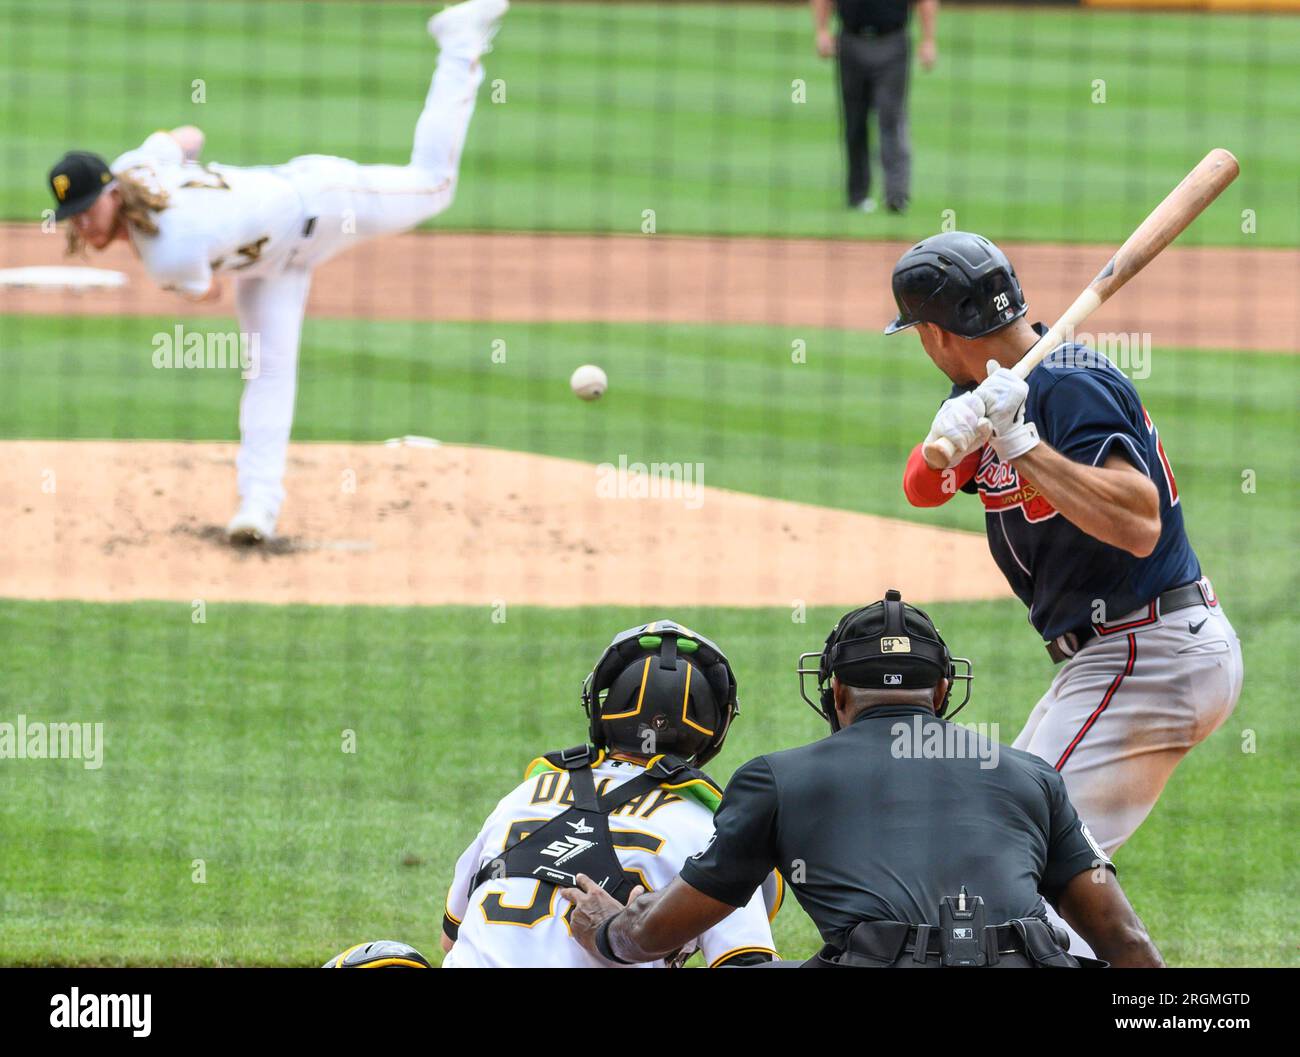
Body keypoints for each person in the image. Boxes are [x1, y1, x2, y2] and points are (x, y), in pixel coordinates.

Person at [889, 230, 1243, 956]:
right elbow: (922, 489)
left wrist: (1024, 446)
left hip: (1150, 653)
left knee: (1007, 850)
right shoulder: (991, 387)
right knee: (1020, 847)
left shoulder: (1068, 382)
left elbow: (1140, 521)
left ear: (931, 332)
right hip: (1115, 659)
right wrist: (953, 436)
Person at [45, 0, 510, 544]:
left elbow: (210, 292)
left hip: (323, 203)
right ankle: (257, 509)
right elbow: (190, 135)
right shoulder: (136, 165)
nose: (83, 227)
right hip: (273, 263)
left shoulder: (167, 257)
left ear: (110, 193)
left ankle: (458, 43)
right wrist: (188, 186)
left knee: (434, 185)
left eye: (87, 211)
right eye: (73, 219)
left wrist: (191, 221)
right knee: (268, 372)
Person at [562, 592, 1164, 968]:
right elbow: (1128, 944)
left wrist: (609, 929)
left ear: (836, 692)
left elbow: (657, 934)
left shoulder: (778, 779)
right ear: (944, 691)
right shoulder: (1033, 776)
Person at [439, 620, 779, 968]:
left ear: (600, 708)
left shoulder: (521, 797)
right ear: (714, 728)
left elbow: (451, 941)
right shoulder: (713, 831)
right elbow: (746, 962)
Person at [811, 0, 938, 213]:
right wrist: (822, 30)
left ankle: (896, 196)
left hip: (893, 41)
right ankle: (857, 196)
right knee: (854, 122)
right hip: (850, 41)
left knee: (891, 117)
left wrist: (928, 40)